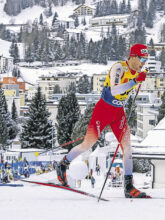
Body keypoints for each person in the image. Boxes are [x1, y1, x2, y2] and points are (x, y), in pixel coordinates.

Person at [57, 43, 149, 198]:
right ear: (132, 56)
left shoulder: (137, 72)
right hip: (104, 110)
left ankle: (128, 187)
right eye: (141, 59)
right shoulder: (119, 68)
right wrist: (135, 81)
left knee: (127, 147)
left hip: (118, 113)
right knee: (88, 143)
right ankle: (63, 164)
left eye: (145, 60)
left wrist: (137, 80)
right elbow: (114, 90)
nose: (143, 63)